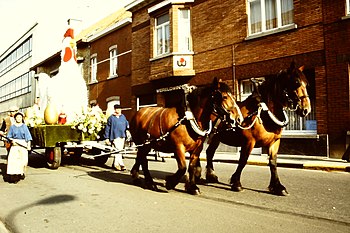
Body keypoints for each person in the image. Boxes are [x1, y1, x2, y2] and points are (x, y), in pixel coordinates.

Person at [6, 112, 32, 183]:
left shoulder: (24, 126)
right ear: (15, 118)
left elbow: (28, 137)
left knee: (23, 161)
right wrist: (12, 141)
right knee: (14, 161)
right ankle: (14, 177)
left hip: (23, 145)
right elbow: (9, 136)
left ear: (22, 118)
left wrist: (28, 146)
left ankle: (21, 172)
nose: (19, 119)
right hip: (15, 146)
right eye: (17, 117)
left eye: (20, 117)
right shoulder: (12, 127)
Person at [104, 104, 130, 171]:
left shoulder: (123, 117)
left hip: (122, 135)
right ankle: (121, 164)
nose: (118, 110)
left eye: (119, 109)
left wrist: (128, 129)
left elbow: (127, 124)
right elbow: (107, 128)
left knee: (120, 150)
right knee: (118, 150)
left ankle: (116, 164)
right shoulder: (111, 118)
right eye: (117, 109)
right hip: (115, 136)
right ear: (115, 109)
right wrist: (106, 138)